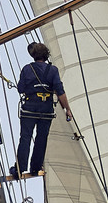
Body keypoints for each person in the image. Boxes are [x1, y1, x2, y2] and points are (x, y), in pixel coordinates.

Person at [11, 39, 71, 178]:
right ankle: (35, 168)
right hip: (46, 111)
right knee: (41, 139)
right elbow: (60, 92)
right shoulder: (53, 70)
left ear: (33, 55)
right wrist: (67, 109)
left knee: (25, 138)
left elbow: (20, 89)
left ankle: (20, 168)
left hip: (29, 110)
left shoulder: (27, 69)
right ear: (46, 55)